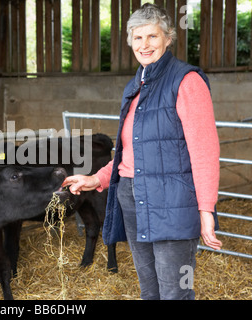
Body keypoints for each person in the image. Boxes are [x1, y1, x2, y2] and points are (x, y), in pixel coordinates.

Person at [62, 3, 222, 300]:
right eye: (138, 37)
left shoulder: (187, 81)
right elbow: (130, 152)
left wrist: (206, 209)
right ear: (130, 42)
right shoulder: (136, 86)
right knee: (149, 290)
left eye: (153, 36)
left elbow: (205, 151)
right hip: (133, 199)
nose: (144, 45)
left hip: (172, 201)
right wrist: (96, 179)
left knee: (176, 291)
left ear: (168, 38)